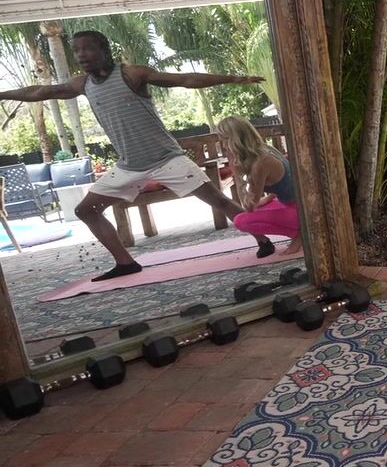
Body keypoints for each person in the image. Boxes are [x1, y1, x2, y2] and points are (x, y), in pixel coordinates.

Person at [0, 30, 266, 281]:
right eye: (76, 50)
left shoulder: (132, 74)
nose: (81, 55)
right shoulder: (83, 84)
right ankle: (125, 263)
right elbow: (40, 92)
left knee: (218, 200)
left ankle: (263, 240)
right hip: (129, 166)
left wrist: (234, 79)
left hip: (167, 159)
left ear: (104, 50)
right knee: (85, 210)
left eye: (87, 49)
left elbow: (184, 79)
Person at [215, 115, 301, 257]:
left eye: (224, 140)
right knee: (259, 208)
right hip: (295, 203)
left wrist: (236, 174)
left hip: (301, 211)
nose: (223, 145)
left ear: (234, 140)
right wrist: (268, 198)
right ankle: (300, 232)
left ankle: (300, 235)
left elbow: (248, 206)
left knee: (241, 221)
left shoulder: (260, 164)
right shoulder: (265, 149)